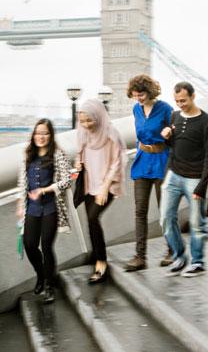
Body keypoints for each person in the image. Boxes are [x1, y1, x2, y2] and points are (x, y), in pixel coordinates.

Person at [160, 82, 208, 278]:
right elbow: (173, 145)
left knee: (196, 223)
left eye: (183, 100)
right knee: (166, 218)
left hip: (195, 178)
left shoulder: (205, 121)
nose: (180, 104)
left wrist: (202, 185)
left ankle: (198, 262)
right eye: (177, 101)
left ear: (193, 96)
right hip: (173, 175)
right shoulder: (174, 116)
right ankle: (179, 257)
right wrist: (167, 137)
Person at [16, 118, 74, 304]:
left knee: (47, 246)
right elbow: (22, 183)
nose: (41, 137)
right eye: (38, 133)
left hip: (51, 207)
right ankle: (41, 275)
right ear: (33, 135)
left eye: (45, 133)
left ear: (51, 135)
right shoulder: (27, 155)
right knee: (30, 244)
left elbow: (67, 180)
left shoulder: (58, 155)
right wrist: (20, 204)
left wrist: (46, 189)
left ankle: (49, 286)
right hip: (32, 208)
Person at [123, 75, 175, 272]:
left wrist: (169, 131)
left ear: (150, 92)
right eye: (135, 95)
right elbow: (140, 135)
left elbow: (175, 131)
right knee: (140, 210)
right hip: (143, 161)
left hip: (162, 160)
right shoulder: (136, 109)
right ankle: (140, 256)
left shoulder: (165, 108)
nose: (139, 98)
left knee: (165, 209)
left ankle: (172, 251)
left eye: (142, 94)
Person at [75, 99, 127, 284]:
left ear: (98, 117)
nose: (86, 125)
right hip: (90, 184)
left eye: (90, 120)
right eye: (82, 121)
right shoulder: (83, 133)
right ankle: (97, 254)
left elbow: (117, 161)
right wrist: (77, 162)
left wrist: (105, 187)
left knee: (92, 218)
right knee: (90, 221)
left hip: (107, 185)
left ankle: (101, 262)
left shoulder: (111, 133)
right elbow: (80, 153)